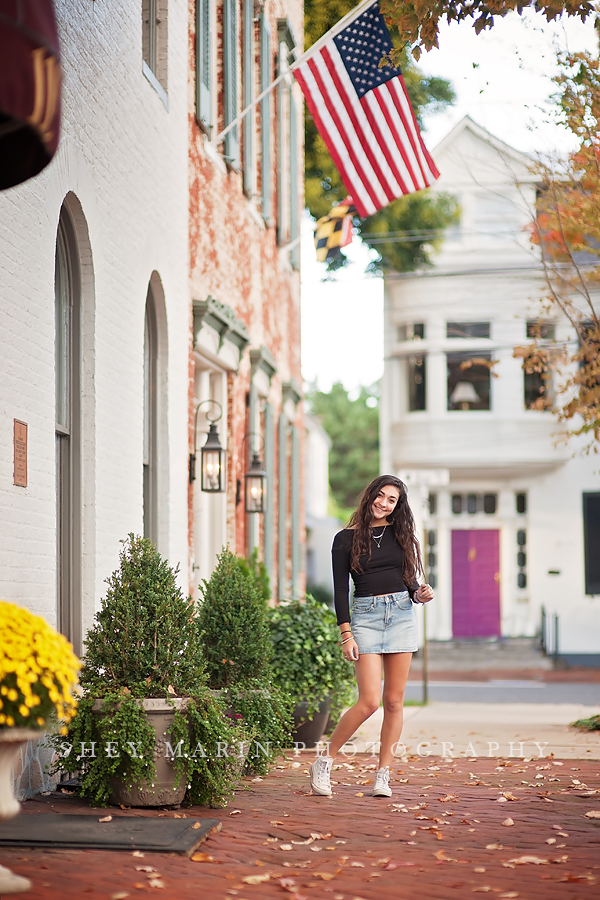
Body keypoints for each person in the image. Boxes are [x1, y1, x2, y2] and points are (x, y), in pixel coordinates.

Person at [309, 475, 434, 799]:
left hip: (401, 615)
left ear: (397, 506)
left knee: (394, 701)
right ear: (370, 497)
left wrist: (419, 594)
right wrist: (345, 634)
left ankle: (383, 775)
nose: (384, 502)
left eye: (391, 499)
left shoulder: (402, 535)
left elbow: (408, 580)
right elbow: (340, 590)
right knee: (368, 702)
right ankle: (325, 761)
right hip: (364, 618)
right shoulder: (344, 539)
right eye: (380, 496)